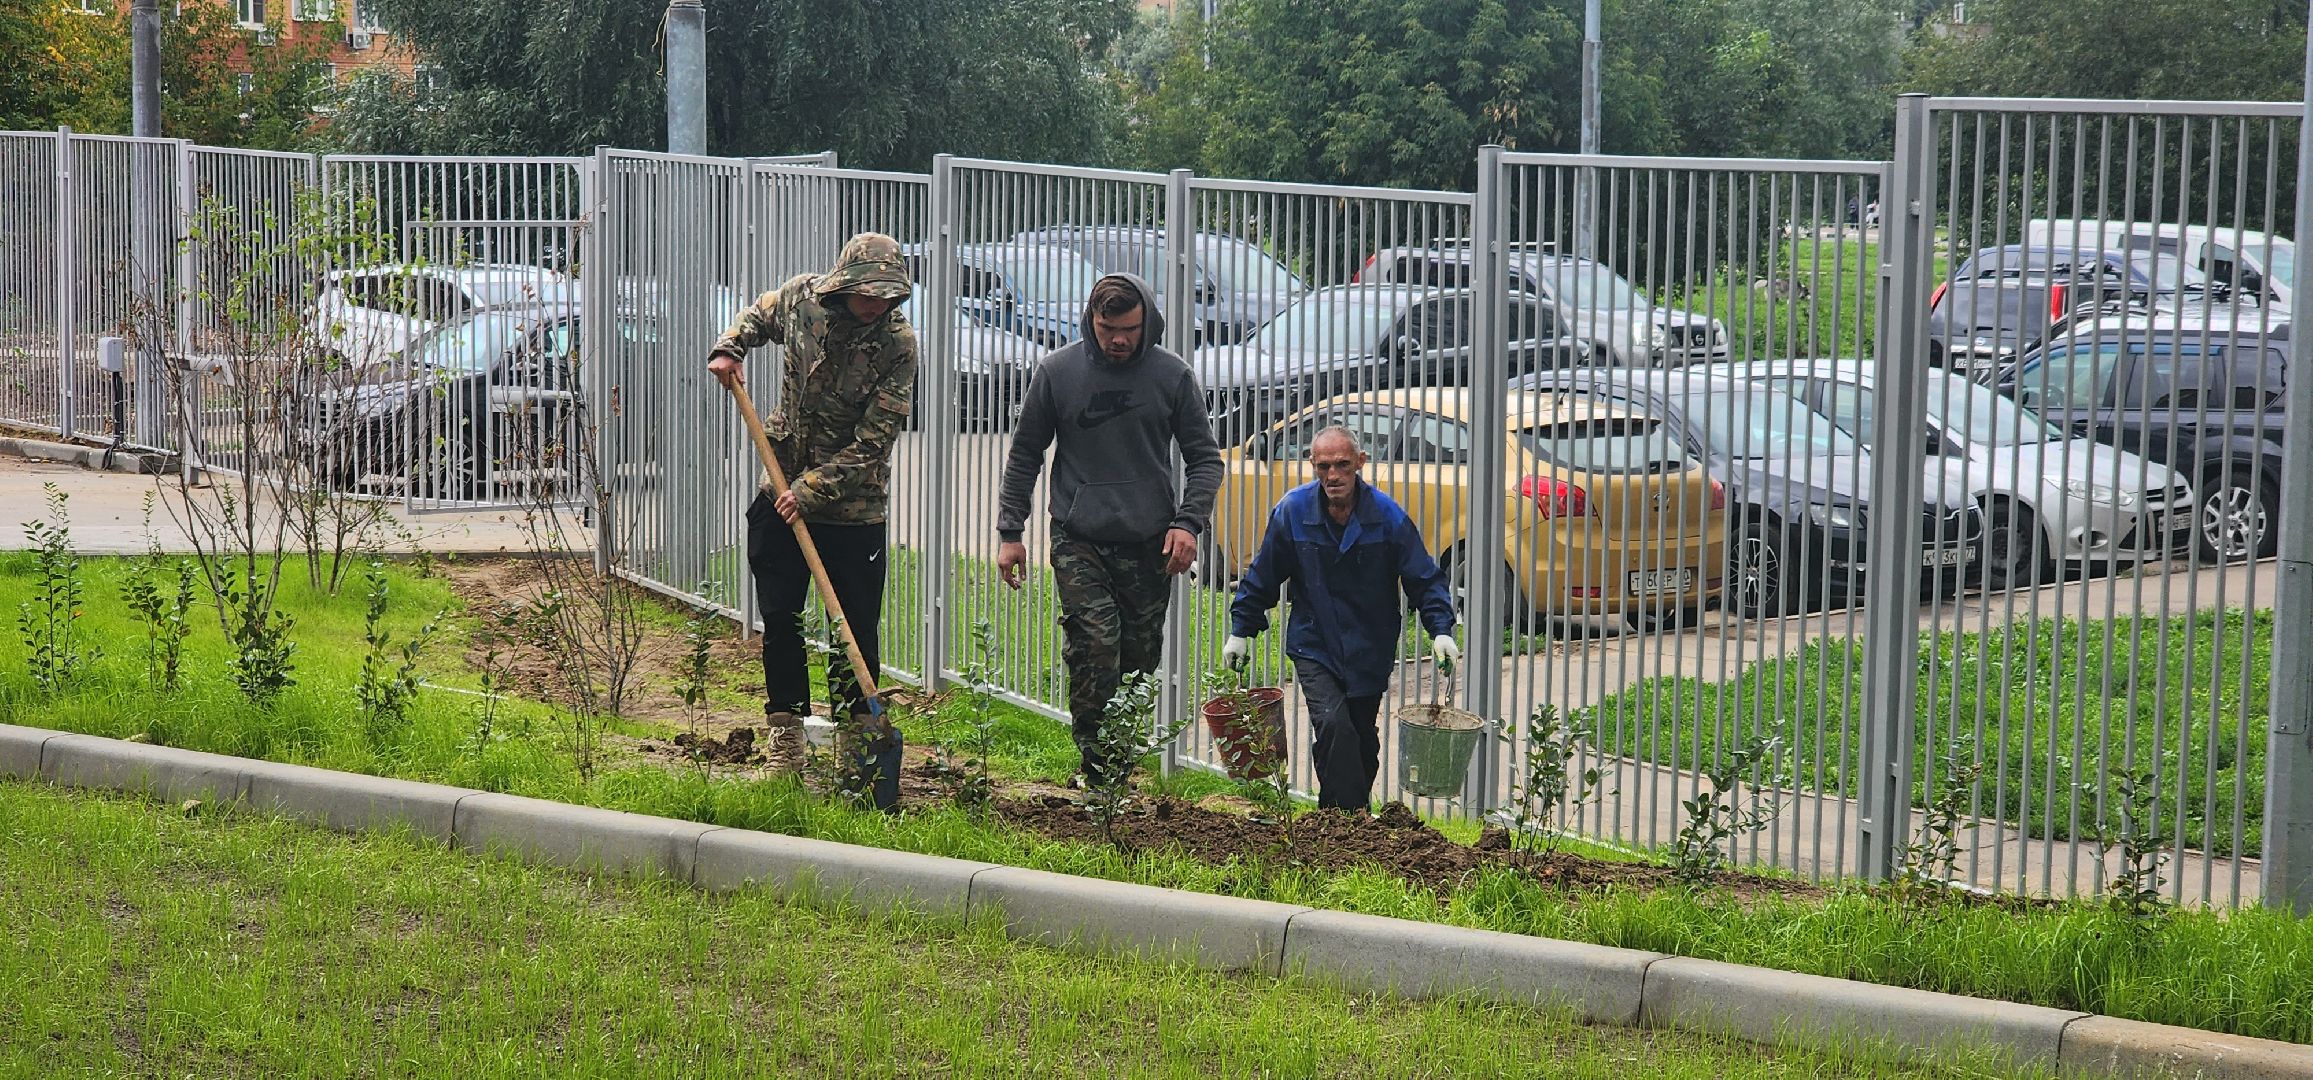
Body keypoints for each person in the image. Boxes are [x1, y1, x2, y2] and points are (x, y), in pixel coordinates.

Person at [996, 273, 1224, 787]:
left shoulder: (1172, 376)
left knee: (1138, 659)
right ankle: (1097, 769)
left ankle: (1116, 762)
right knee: (1096, 643)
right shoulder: (1058, 373)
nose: (1118, 340)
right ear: (1091, 321)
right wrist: (1011, 532)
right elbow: (1026, 453)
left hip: (1149, 541)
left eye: (1129, 330)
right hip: (1079, 536)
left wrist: (1188, 523)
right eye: (1107, 329)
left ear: (1147, 323)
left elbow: (1205, 459)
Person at [706, 232, 915, 775]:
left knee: (852, 628)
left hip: (852, 509)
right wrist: (729, 347)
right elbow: (758, 315)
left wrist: (809, 491)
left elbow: (874, 442)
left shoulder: (898, 345)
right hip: (779, 487)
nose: (875, 304)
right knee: (781, 619)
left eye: (886, 296)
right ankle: (787, 740)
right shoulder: (803, 299)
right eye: (867, 293)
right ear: (845, 283)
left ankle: (857, 749)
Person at [1223, 425, 1458, 811]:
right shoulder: (1293, 512)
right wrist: (1241, 630)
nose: (1333, 475)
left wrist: (1441, 630)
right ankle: (1346, 820)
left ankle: (1338, 821)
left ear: (1360, 462)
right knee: (1334, 725)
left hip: (1370, 647)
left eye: (1342, 465)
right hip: (1314, 643)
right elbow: (1263, 574)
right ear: (1312, 465)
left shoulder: (1387, 517)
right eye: (1324, 466)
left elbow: (1424, 578)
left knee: (1361, 738)